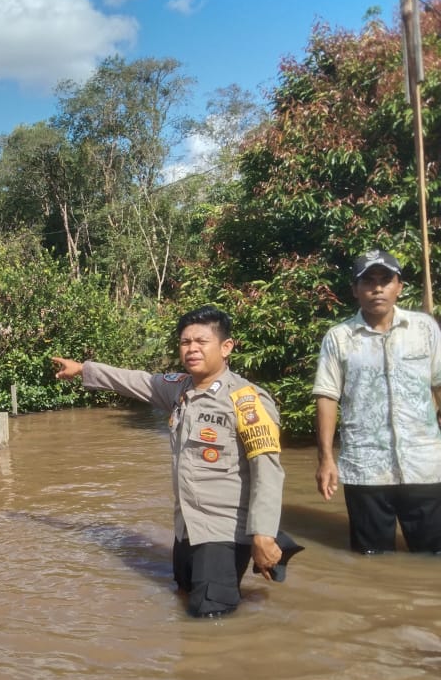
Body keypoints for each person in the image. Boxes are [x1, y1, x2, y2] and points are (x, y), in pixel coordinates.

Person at [52, 304, 290, 618]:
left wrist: (263, 534)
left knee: (211, 619)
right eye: (185, 342)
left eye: (201, 341)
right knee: (185, 598)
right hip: (186, 528)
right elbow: (134, 380)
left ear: (226, 347)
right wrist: (84, 369)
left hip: (222, 531)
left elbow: (267, 470)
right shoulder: (179, 389)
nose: (192, 349)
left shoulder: (247, 401)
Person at [312, 249, 441, 554]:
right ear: (355, 290)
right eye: (368, 281)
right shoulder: (339, 337)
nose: (377, 288)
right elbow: (327, 396)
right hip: (365, 468)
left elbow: (439, 384)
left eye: (386, 280)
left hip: (426, 465)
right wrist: (326, 458)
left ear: (399, 286)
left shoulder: (425, 328)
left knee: (435, 558)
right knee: (371, 560)